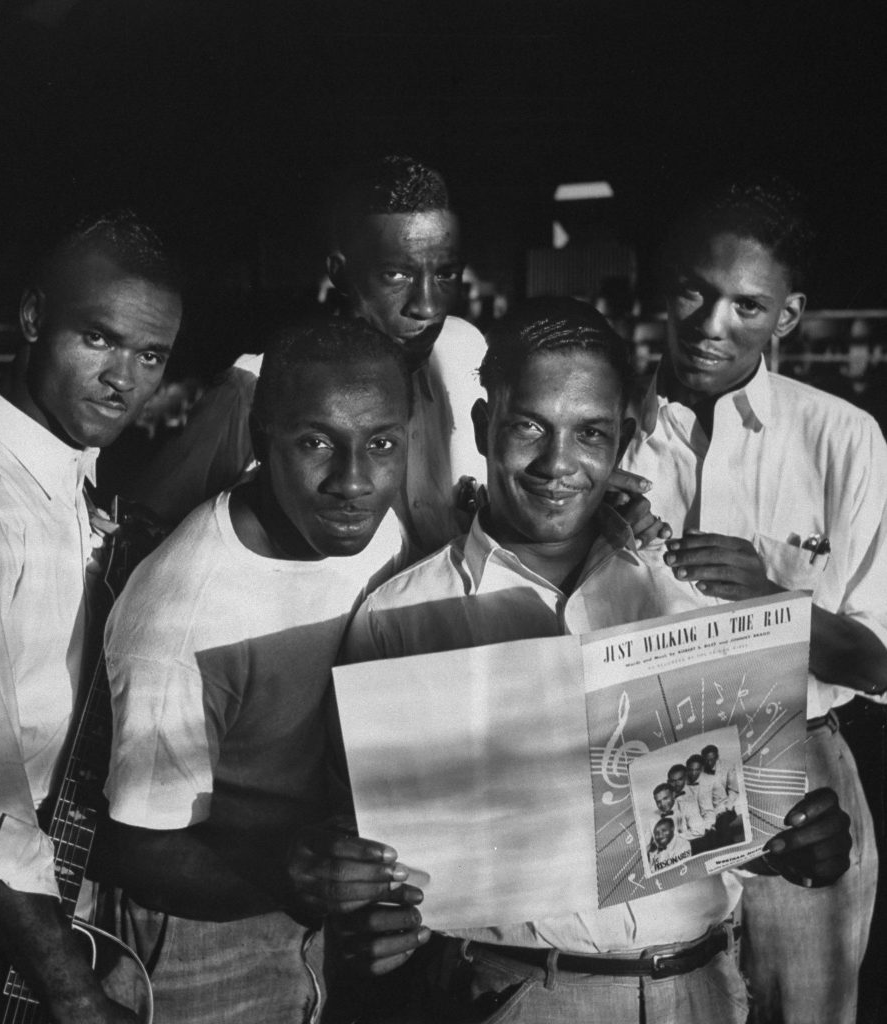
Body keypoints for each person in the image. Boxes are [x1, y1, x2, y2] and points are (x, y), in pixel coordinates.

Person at [337, 298, 851, 1024]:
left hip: (704, 987)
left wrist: (796, 843)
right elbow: (372, 860)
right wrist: (371, 911)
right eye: (528, 426)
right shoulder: (397, 621)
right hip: (521, 995)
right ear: (484, 427)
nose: (557, 463)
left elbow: (719, 820)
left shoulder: (691, 600)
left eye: (589, 434)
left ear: (622, 442)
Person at [99, 317, 421, 1024]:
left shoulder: (380, 533)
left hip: (325, 913)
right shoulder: (179, 615)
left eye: (383, 444)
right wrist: (296, 877)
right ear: (260, 435)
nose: (354, 480)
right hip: (199, 943)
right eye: (315, 443)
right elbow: (135, 849)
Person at [621, 178, 887, 1024]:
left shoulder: (842, 439)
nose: (711, 325)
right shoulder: (599, 428)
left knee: (805, 1012)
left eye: (748, 304)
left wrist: (774, 603)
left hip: (799, 769)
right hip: (635, 769)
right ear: (664, 286)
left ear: (789, 315)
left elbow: (878, 660)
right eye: (696, 291)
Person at [131, 155, 661, 553]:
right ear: (339, 271)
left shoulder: (464, 348)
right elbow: (137, 533)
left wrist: (577, 496)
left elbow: (515, 477)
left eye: (445, 273)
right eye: (397, 274)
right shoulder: (256, 386)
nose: (427, 305)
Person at [0, 211, 183, 1024]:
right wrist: (71, 994)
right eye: (98, 339)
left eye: (150, 356)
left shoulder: (70, 483)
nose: (123, 379)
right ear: (34, 319)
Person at [668, 764, 714, 853]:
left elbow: (708, 813)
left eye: (680, 780)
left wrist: (707, 828)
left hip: (700, 839)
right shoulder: (668, 799)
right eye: (673, 781)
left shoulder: (696, 792)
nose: (676, 784)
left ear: (685, 779)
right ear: (668, 782)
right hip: (682, 843)